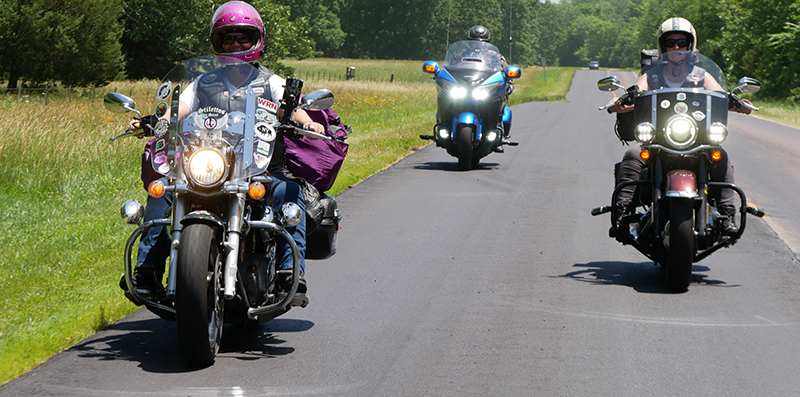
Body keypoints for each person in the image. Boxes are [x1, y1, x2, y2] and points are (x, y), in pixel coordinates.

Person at [121, 1, 323, 301]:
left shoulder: (272, 83)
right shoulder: (204, 82)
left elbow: (294, 110)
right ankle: (147, 270)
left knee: (288, 193)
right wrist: (155, 122)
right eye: (228, 37)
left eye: (242, 36)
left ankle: (289, 273)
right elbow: (179, 110)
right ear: (217, 42)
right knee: (160, 190)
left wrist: (308, 123)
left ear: (257, 40)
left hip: (260, 168)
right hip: (209, 165)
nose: (235, 43)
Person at [607, 17, 752, 235]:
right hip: (658, 140)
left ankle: (728, 213)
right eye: (671, 42)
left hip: (697, 140)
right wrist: (621, 101)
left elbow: (720, 95)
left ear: (690, 45)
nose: (676, 47)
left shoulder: (701, 76)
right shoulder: (652, 76)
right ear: (662, 46)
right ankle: (622, 213)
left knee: (720, 157)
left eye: (682, 42)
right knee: (633, 155)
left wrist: (737, 101)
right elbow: (635, 91)